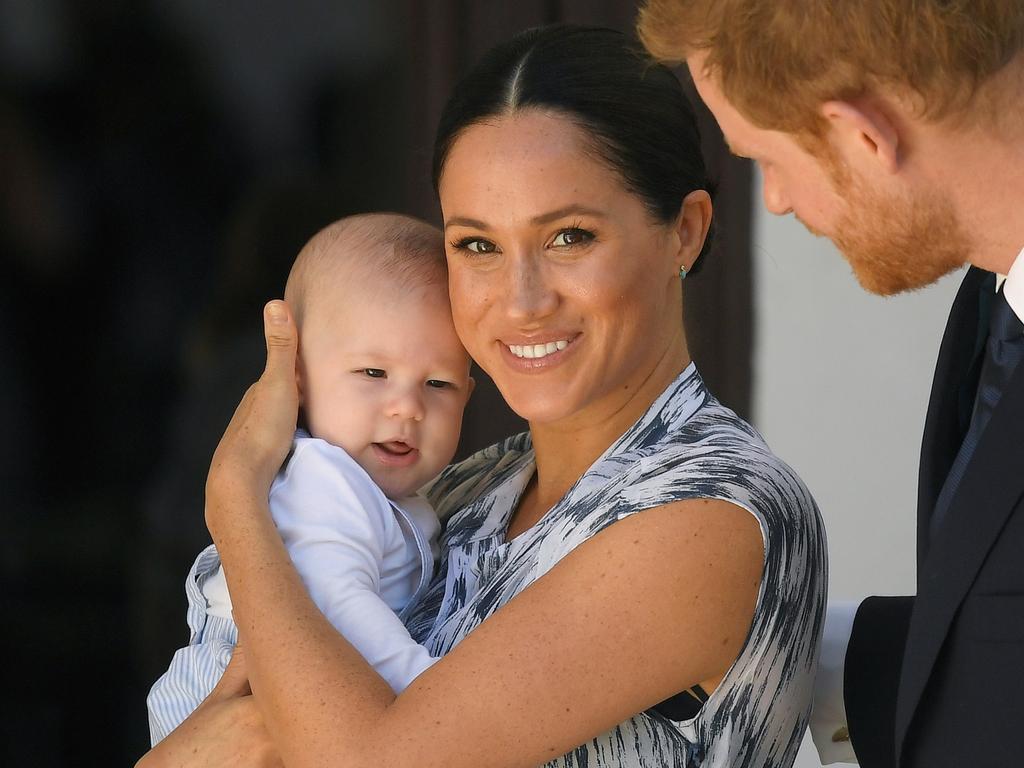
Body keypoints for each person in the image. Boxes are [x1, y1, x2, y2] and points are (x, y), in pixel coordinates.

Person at [138, 25, 826, 768]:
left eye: (569, 237)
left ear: (684, 233)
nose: (521, 301)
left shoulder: (712, 511)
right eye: (477, 245)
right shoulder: (465, 489)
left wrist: (237, 498)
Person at [636, 2, 1024, 767]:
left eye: (767, 161)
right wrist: (770, 650)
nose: (776, 200)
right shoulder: (992, 296)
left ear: (863, 135)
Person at [146, 213, 474, 743]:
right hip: (232, 698)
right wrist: (425, 689)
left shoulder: (399, 495)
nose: (407, 407)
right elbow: (338, 601)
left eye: (438, 384)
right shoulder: (324, 480)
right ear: (296, 376)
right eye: (374, 373)